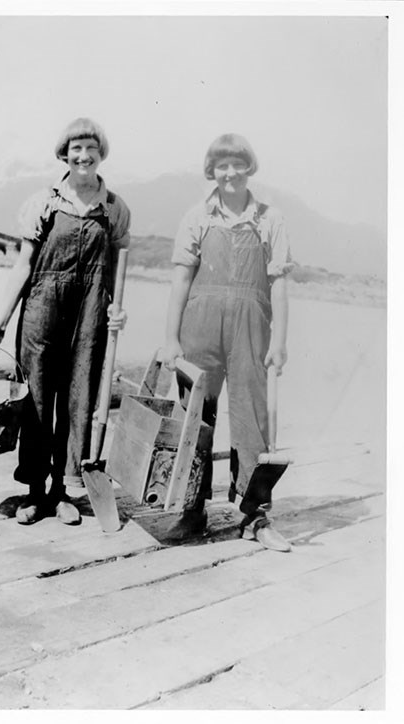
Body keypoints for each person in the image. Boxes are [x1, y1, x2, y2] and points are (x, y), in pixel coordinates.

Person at [0, 118, 130, 526]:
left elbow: (117, 270)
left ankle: (63, 491)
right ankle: (33, 492)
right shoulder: (44, 203)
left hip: (89, 316)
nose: (84, 156)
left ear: (101, 154)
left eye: (91, 149)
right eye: (76, 149)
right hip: (42, 311)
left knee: (78, 399)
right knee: (36, 401)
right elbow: (22, 267)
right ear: (64, 155)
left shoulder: (115, 208)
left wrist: (117, 308)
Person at [163, 133, 294, 551]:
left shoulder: (270, 219)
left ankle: (253, 515)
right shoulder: (197, 216)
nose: (230, 172)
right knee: (193, 417)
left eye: (238, 164)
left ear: (249, 167)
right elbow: (181, 280)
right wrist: (170, 338)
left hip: (251, 328)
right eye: (222, 165)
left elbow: (279, 286)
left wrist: (280, 342)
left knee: (251, 416)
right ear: (211, 171)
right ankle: (190, 509)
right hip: (200, 325)